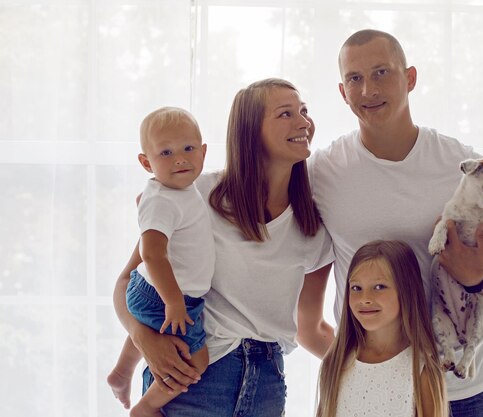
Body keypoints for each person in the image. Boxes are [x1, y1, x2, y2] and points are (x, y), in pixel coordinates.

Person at [298, 29, 483, 417]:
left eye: (381, 73)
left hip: (458, 391)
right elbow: (301, 306)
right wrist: (361, 369)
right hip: (368, 395)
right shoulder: (323, 172)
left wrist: (478, 279)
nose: (368, 89)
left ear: (410, 78)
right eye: (354, 79)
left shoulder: (462, 165)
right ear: (343, 92)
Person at [113, 78, 334, 417]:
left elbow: (312, 328)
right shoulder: (195, 193)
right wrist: (142, 338)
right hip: (193, 378)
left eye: (303, 111)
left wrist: (381, 367)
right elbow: (131, 279)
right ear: (250, 132)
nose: (303, 122)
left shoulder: (312, 227)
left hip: (267, 385)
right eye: (286, 114)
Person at [107, 107, 215, 417]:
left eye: (188, 149)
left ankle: (122, 370)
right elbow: (152, 254)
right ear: (146, 162)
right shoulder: (161, 200)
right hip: (165, 295)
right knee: (196, 361)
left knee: (152, 330)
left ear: (203, 152)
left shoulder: (180, 189)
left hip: (157, 293)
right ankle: (145, 407)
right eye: (166, 152)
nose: (180, 158)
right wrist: (173, 302)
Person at [316, 240, 448, 417]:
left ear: (406, 290)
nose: (365, 298)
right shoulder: (334, 363)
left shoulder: (422, 370)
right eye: (356, 288)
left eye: (379, 287)